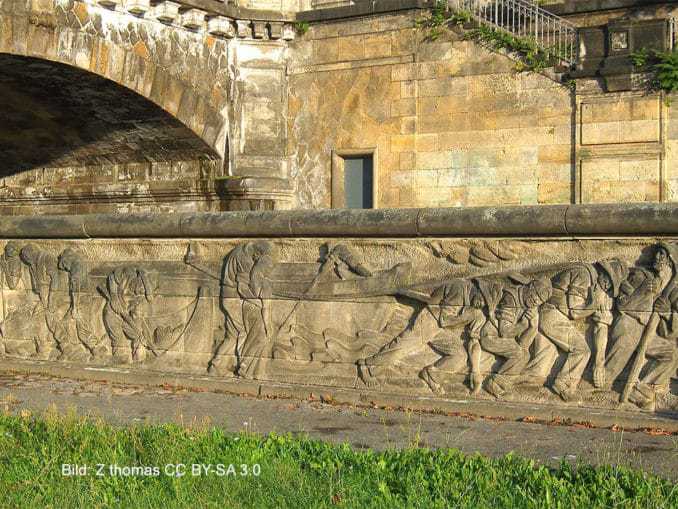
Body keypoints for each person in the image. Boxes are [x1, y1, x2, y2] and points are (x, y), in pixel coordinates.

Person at [527, 259, 627, 401]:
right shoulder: (583, 274)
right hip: (550, 312)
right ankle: (563, 385)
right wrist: (593, 305)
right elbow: (574, 311)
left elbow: (602, 326)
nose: (608, 284)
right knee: (581, 350)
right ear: (603, 271)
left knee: (542, 365)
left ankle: (524, 386)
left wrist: (599, 363)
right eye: (608, 278)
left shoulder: (602, 291)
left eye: (612, 284)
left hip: (560, 317)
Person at [603, 243, 678, 410]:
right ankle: (594, 392)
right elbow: (622, 304)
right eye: (658, 253)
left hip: (646, 332)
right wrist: (644, 291)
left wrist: (667, 313)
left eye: (663, 255)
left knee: (670, 354)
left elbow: (670, 332)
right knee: (611, 370)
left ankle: (643, 389)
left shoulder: (668, 287)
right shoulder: (640, 275)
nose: (658, 258)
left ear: (671, 263)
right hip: (629, 325)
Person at [480, 277, 552, 399]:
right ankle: (493, 384)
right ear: (531, 287)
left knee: (524, 354)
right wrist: (523, 325)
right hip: (491, 336)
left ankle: (502, 384)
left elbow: (523, 344)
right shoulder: (511, 297)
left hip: (506, 339)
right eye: (537, 295)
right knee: (519, 354)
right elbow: (504, 332)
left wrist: (532, 327)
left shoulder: (531, 307)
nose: (537, 301)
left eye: (541, 300)